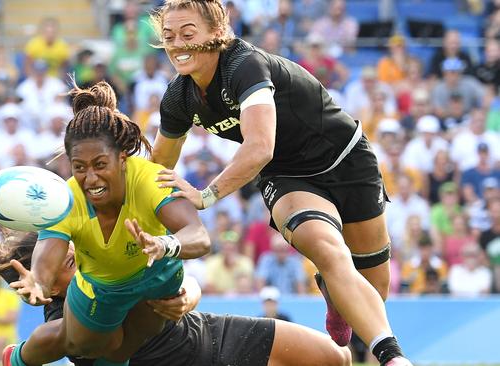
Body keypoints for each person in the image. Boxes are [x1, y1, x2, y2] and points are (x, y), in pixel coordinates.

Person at [149, 1, 410, 365]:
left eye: (188, 34)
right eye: (168, 36)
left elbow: (259, 146)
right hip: (287, 175)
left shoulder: (244, 65)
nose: (177, 44)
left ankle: (336, 296)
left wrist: (206, 195)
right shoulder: (178, 97)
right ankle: (393, 357)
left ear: (216, 34)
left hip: (348, 160)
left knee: (374, 287)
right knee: (328, 249)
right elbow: (157, 166)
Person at [0, 231, 352, 366]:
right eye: (59, 259)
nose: (71, 254)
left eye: (68, 250)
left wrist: (188, 296)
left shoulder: (103, 262)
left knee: (335, 358)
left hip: (209, 335)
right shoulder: (66, 325)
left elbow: (183, 279)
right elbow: (64, 341)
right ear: (39, 275)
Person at [11, 80, 210, 366]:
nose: (90, 178)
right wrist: (38, 282)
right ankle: (16, 359)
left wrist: (165, 244)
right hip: (100, 287)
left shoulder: (149, 179)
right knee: (82, 343)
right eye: (79, 167)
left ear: (123, 158)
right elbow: (49, 251)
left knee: (122, 349)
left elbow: (200, 236)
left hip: (155, 274)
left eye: (100, 164)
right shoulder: (67, 198)